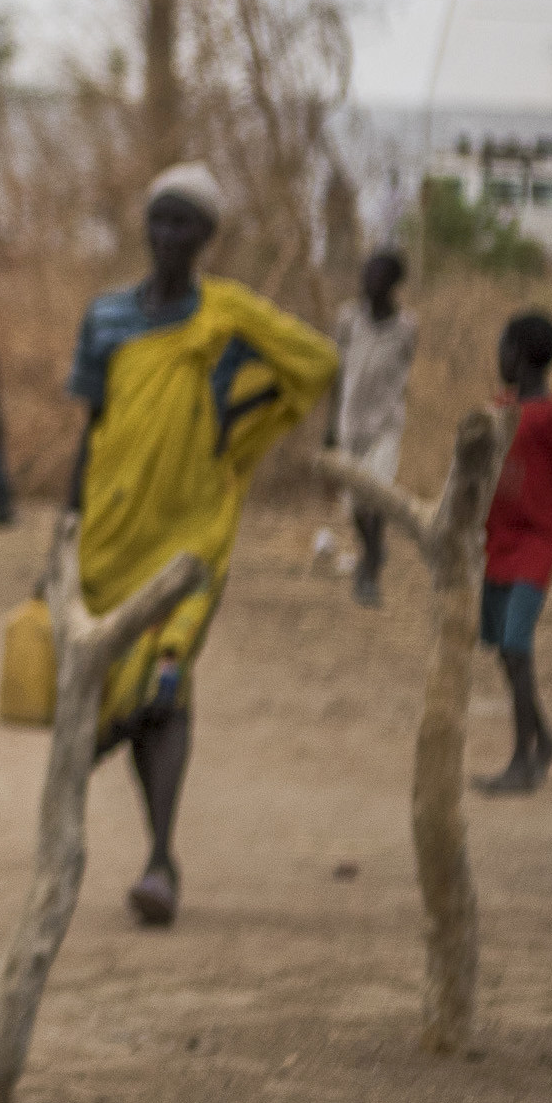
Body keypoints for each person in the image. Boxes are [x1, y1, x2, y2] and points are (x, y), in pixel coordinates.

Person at [61, 166, 340, 926]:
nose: (167, 237)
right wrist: (61, 536)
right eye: (158, 221)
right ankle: (125, 841)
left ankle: (159, 860)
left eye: (184, 224)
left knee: (165, 679)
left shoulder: (228, 320)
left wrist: (239, 436)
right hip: (110, 537)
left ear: (207, 239)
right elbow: (93, 431)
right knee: (106, 691)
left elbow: (315, 363)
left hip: (190, 538)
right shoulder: (106, 318)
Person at [470, 311, 552, 798]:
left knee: (517, 645)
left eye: (503, 345)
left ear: (519, 353)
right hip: (497, 543)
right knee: (502, 646)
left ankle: (523, 760)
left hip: (536, 545)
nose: (498, 355)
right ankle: (544, 739)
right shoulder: (500, 408)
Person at [327, 250, 423, 608]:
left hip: (385, 425)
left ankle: (368, 572)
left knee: (377, 494)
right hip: (349, 425)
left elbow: (402, 372)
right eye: (366, 276)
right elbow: (338, 374)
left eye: (378, 278)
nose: (369, 284)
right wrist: (329, 427)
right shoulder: (348, 318)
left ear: (394, 285)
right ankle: (373, 549)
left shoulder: (406, 327)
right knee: (354, 503)